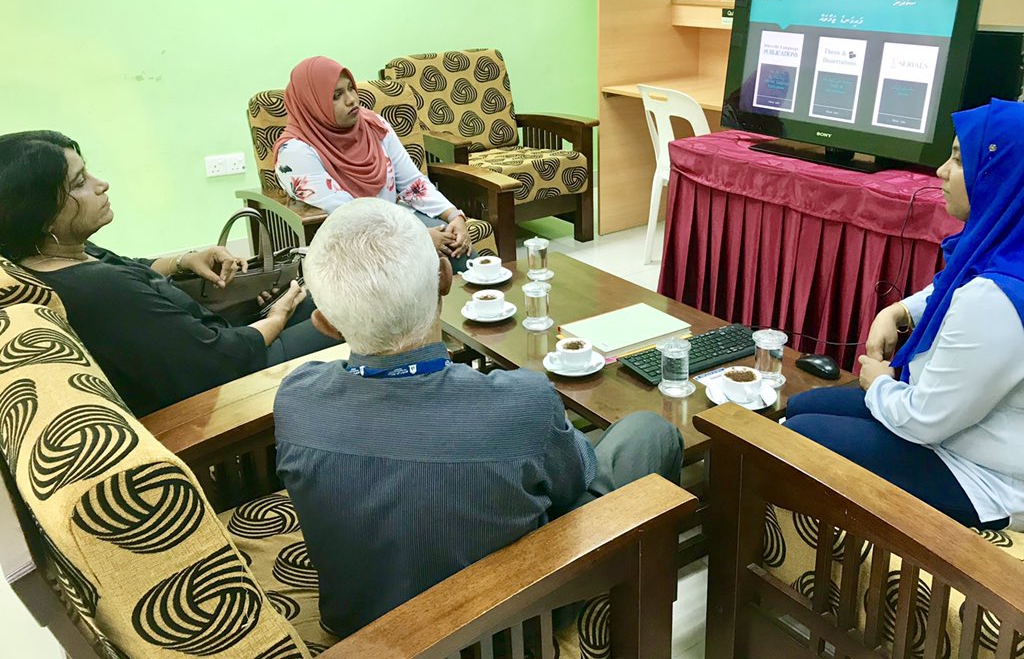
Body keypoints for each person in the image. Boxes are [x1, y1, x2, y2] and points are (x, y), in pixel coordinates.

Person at [274, 197, 683, 639]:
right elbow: (572, 484)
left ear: (326, 325)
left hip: (359, 628)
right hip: (509, 627)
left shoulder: (296, 400)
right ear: (445, 279)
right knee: (648, 432)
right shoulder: (523, 402)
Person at [784, 99, 1024, 531]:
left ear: (1001, 175)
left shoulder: (998, 301)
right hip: (964, 429)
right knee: (801, 405)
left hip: (985, 474)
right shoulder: (1006, 246)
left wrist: (876, 383)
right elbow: (950, 288)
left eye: (958, 160)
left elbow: (925, 422)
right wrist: (899, 310)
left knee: (798, 436)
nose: (941, 173)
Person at [0, 130, 339, 417]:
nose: (101, 184)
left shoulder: (53, 255)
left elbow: (134, 264)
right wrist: (278, 316)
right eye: (79, 183)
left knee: (325, 296)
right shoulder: (102, 291)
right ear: (41, 214)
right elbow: (218, 357)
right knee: (349, 317)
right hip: (231, 386)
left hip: (219, 345)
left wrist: (186, 260)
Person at [274, 55, 473, 272]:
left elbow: (412, 182)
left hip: (393, 224)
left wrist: (454, 216)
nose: (351, 100)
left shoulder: (372, 125)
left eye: (351, 88)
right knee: (416, 271)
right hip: (345, 247)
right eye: (336, 95)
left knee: (464, 258)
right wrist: (416, 239)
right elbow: (351, 214)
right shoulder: (294, 152)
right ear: (313, 104)